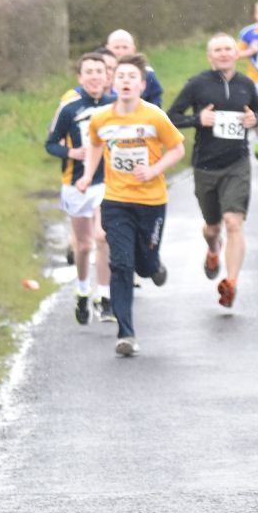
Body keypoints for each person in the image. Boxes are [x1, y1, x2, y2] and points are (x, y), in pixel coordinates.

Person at [77, 54, 185, 357]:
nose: (125, 82)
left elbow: (177, 149)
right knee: (122, 264)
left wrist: (153, 170)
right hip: (117, 201)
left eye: (131, 77)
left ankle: (154, 266)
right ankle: (125, 334)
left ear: (142, 85)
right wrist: (87, 175)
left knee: (145, 266)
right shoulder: (101, 119)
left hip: (151, 201)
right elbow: (95, 145)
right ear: (113, 83)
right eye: (120, 77)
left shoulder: (153, 117)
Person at [167, 33, 258, 308]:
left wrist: (254, 119)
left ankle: (230, 283)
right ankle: (212, 248)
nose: (223, 53)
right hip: (205, 165)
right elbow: (171, 117)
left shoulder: (247, 85)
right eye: (217, 50)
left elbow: (257, 115)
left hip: (237, 164)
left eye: (228, 48)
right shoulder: (197, 84)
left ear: (236, 53)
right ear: (210, 56)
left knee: (233, 222)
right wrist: (198, 119)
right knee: (212, 227)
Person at [46, 52, 116, 323]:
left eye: (99, 71)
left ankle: (105, 297)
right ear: (80, 77)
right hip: (76, 184)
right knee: (84, 245)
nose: (95, 77)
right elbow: (50, 144)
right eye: (89, 72)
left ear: (107, 76)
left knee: (103, 237)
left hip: (107, 181)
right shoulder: (69, 109)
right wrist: (71, 152)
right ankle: (83, 291)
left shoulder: (115, 106)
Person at [107, 29, 164, 108]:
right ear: (108, 49)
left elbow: (155, 100)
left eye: (125, 47)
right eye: (116, 47)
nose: (121, 52)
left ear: (133, 49)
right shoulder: (99, 72)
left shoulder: (147, 73)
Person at [237, 2, 258, 91]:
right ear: (255, 15)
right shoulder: (247, 32)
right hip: (255, 82)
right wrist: (251, 51)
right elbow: (236, 54)